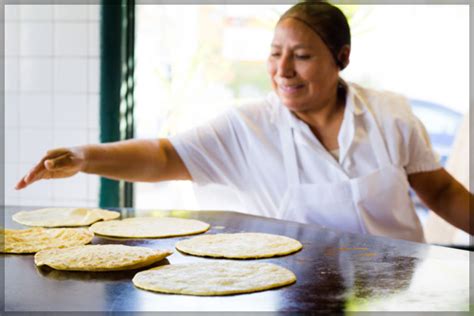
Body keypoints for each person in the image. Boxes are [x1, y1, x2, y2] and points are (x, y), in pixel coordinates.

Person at [15, 1, 471, 243]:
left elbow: (443, 192)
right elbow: (163, 155)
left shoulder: (390, 114)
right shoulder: (247, 127)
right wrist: (84, 156)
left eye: (302, 56)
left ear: (342, 58)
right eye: (275, 54)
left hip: (396, 296)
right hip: (295, 290)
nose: (282, 70)